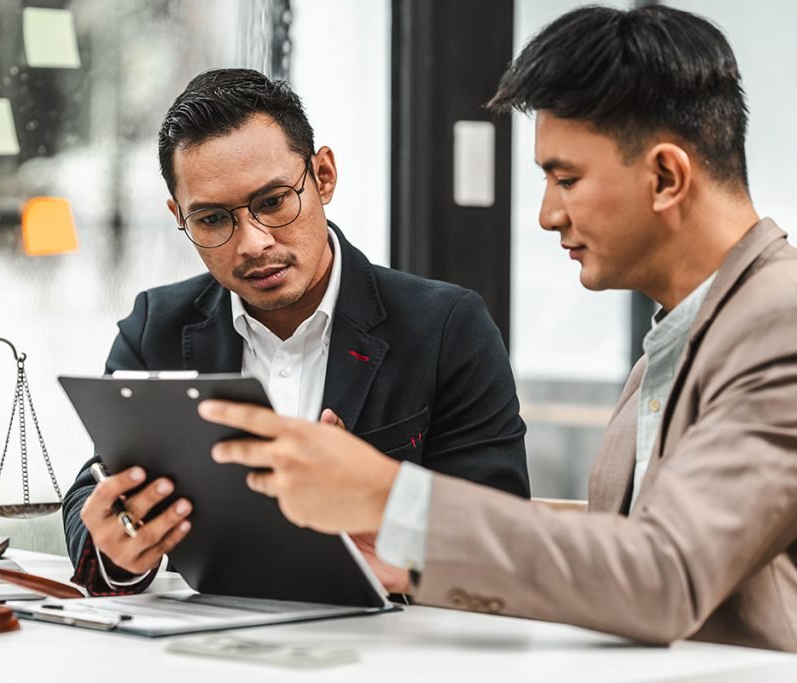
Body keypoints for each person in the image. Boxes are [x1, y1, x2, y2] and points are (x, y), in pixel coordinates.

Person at [200, 6, 797, 652]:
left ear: (666, 177)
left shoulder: (779, 321)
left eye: (565, 178)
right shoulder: (684, 334)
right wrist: (408, 551)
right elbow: (621, 554)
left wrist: (391, 497)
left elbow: (664, 574)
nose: (546, 214)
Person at [62, 68, 530, 596]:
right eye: (213, 219)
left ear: (323, 176)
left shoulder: (445, 327)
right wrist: (117, 549)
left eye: (273, 202)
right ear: (179, 216)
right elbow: (95, 489)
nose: (253, 243)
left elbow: (503, 539)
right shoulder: (157, 327)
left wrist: (381, 502)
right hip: (206, 637)